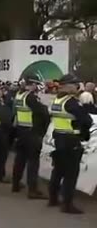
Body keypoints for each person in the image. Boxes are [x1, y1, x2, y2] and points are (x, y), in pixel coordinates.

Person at [49, 74, 93, 214]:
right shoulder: (71, 102)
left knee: (58, 171)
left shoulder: (58, 100)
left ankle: (53, 199)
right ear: (67, 86)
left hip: (59, 139)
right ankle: (67, 205)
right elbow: (87, 120)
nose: (77, 87)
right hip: (71, 140)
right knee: (70, 174)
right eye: (74, 84)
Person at [12, 74, 50, 199]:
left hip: (21, 131)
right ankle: (32, 190)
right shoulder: (31, 97)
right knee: (33, 162)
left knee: (20, 159)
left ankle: (15, 184)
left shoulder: (19, 95)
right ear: (33, 85)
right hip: (32, 132)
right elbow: (42, 112)